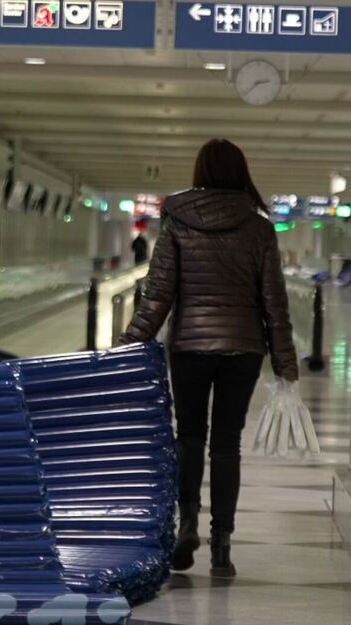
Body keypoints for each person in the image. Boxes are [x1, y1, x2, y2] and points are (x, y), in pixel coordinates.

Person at [121, 139, 298, 578]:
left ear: (200, 172)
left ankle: (188, 524)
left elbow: (158, 292)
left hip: (190, 347)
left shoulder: (178, 220)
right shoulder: (259, 229)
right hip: (243, 348)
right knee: (226, 445)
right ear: (241, 173)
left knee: (190, 437)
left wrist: (129, 344)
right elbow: (274, 302)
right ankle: (222, 545)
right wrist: (285, 363)